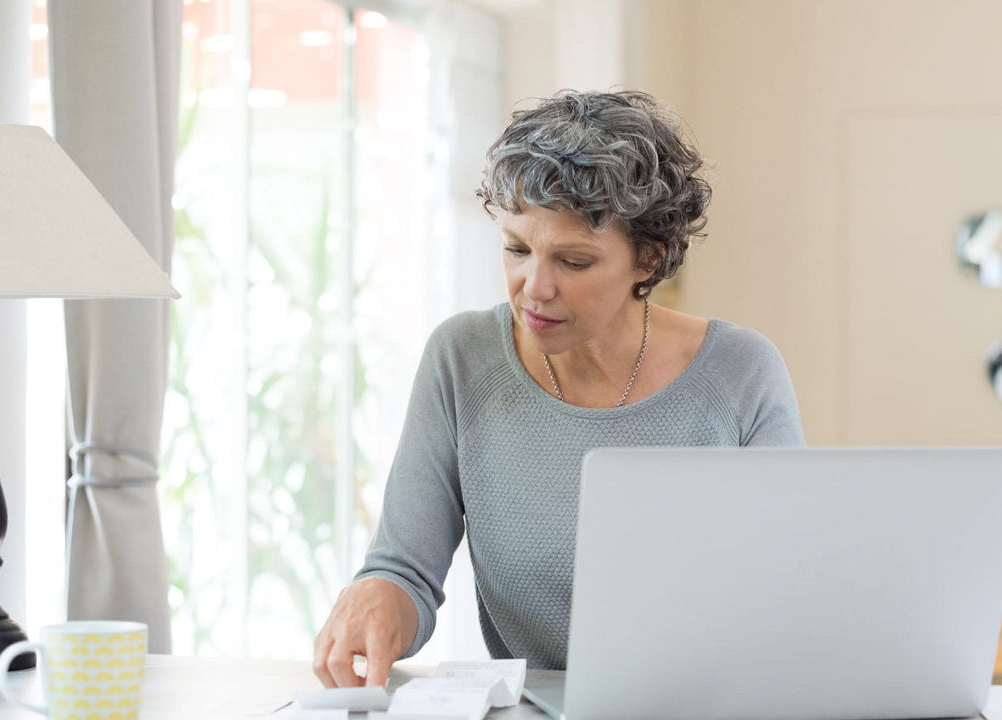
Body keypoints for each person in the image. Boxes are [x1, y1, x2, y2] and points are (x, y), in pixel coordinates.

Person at [312, 90, 805, 688]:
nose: (533, 288)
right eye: (517, 249)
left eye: (573, 262)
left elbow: (785, 590)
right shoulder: (462, 359)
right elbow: (406, 570)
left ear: (647, 260)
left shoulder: (741, 373)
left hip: (714, 705)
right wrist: (378, 595)